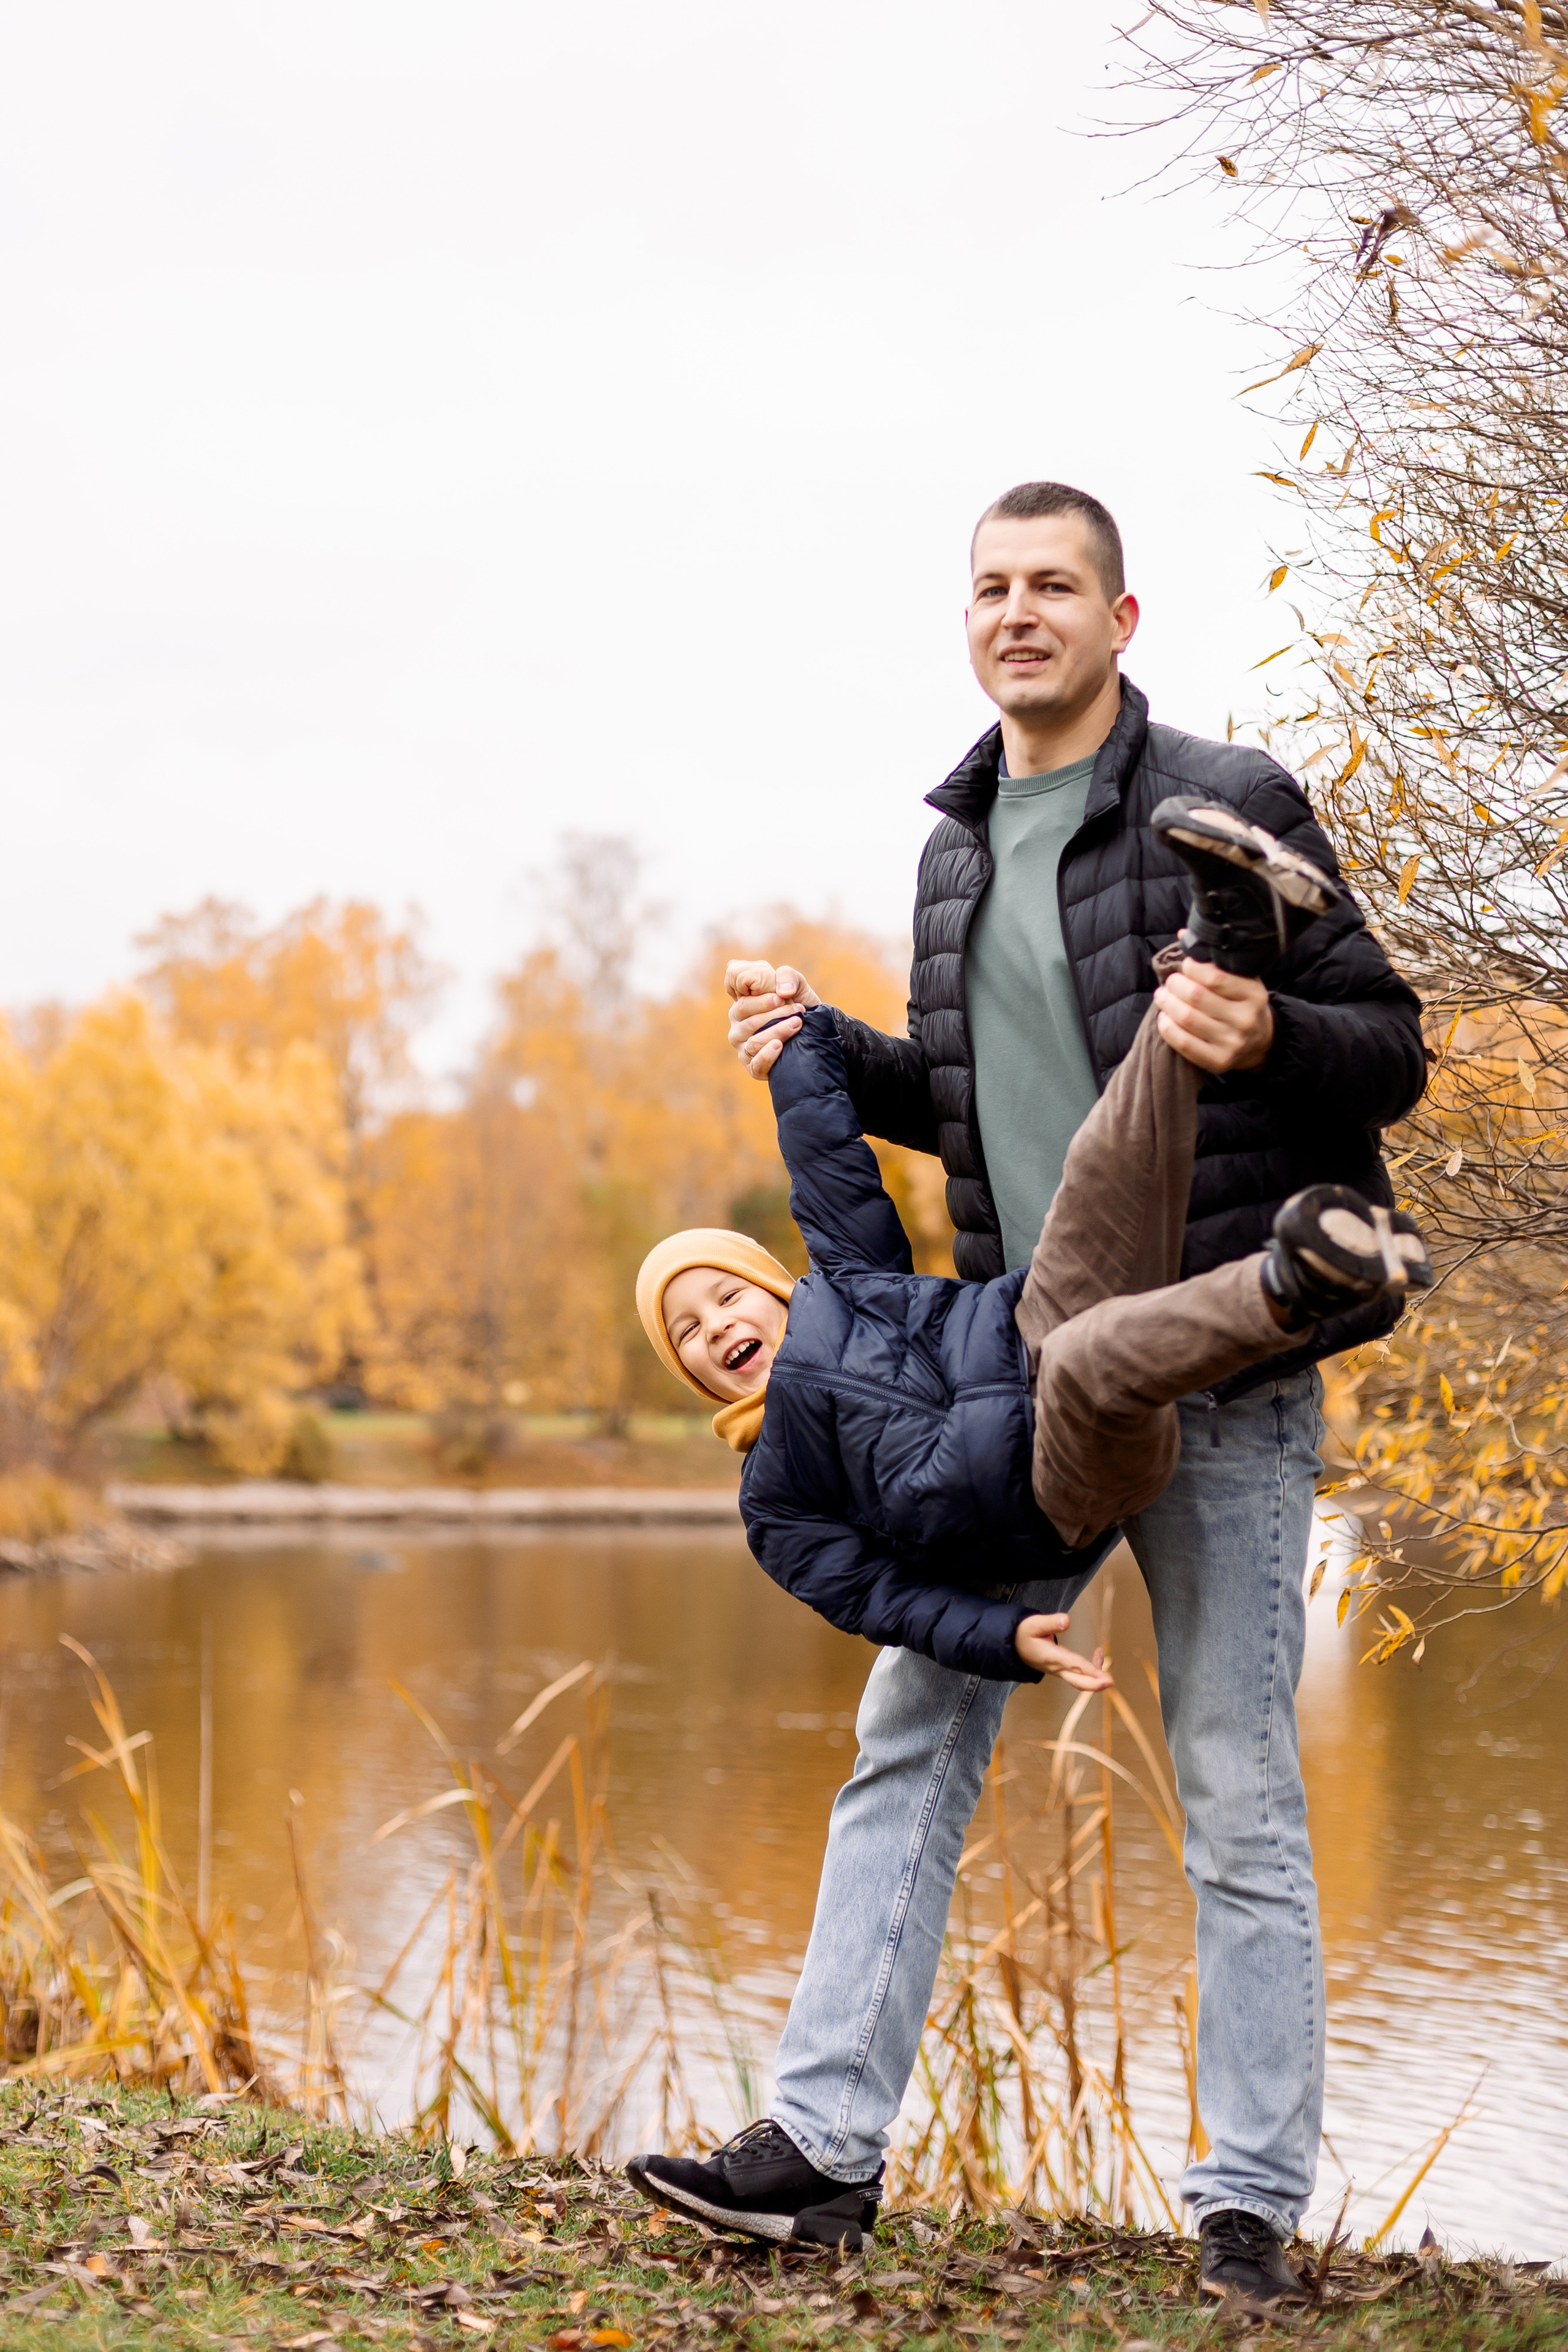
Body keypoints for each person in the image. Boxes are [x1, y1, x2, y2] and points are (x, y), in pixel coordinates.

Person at [631, 483, 1427, 2308]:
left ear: (1121, 617)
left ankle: (1246, 2210)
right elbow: (969, 1093)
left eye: (1051, 585)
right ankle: (818, 2156)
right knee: (908, 1750)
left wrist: (1272, 1028)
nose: (1018, 613)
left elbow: (1392, 1055)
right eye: (989, 588)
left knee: (1233, 1785)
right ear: (966, 619)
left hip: (1217, 1364)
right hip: (1004, 1403)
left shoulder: (1230, 802)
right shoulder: (955, 852)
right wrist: (823, 1045)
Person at [630, 809, 1430, 1706]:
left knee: (1095, 1166)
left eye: (723, 1297)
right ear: (697, 1379)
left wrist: (792, 1032)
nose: (718, 1328)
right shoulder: (775, 1501)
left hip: (1025, 1317)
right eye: (689, 1334)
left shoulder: (849, 1287)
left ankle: (1224, 943)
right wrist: (1002, 1637)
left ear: (772, 1292)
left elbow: (824, 1155)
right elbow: (877, 1598)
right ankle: (1304, 1280)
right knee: (1094, 1361)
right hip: (1054, 1481)